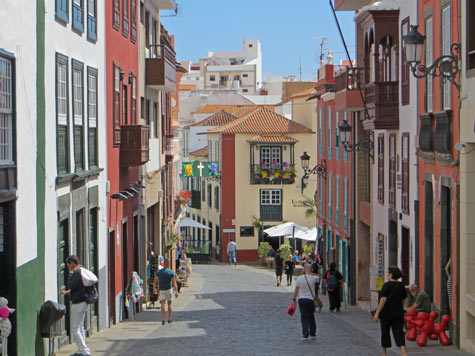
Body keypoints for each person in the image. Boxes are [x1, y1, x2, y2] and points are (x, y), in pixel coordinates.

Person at [373, 266, 407, 356]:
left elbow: (383, 300)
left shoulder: (386, 285)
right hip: (398, 313)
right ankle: (404, 352)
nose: (387, 275)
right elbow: (403, 300)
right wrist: (399, 307)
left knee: (385, 332)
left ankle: (384, 353)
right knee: (399, 332)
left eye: (388, 273)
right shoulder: (401, 285)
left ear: (391, 275)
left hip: (386, 313)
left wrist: (377, 313)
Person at [61, 255, 91, 356]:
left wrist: (70, 275)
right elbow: (77, 288)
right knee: (80, 327)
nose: (68, 266)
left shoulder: (76, 272)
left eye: (68, 264)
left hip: (78, 303)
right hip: (83, 302)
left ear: (72, 263)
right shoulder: (82, 271)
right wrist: (68, 292)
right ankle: (80, 350)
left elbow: (72, 285)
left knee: (75, 328)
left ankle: (85, 351)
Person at [292, 264, 321, 340]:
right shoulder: (314, 278)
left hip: (301, 299)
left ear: (304, 270)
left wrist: (294, 299)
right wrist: (310, 273)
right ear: (311, 270)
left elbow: (296, 290)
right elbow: (319, 275)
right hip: (310, 299)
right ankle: (313, 333)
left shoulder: (299, 278)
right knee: (311, 316)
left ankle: (305, 334)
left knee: (304, 317)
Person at [153, 259, 179, 325]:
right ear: (169, 264)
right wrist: (176, 291)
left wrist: (154, 288)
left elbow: (155, 281)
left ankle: (163, 319)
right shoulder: (171, 272)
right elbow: (174, 283)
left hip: (161, 290)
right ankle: (169, 319)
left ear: (164, 264)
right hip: (169, 289)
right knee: (169, 304)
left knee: (162, 304)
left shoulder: (159, 272)